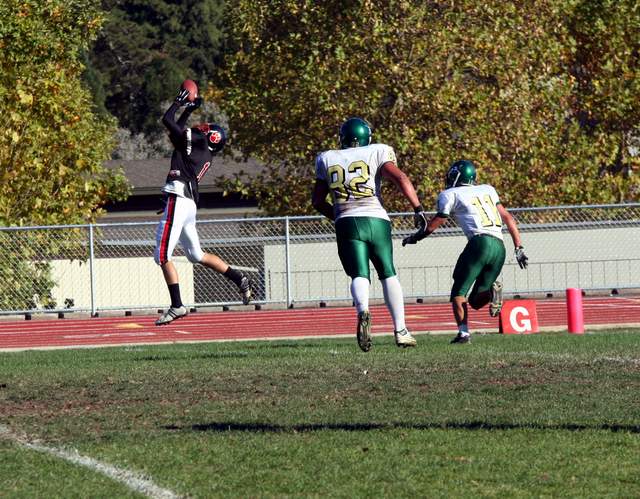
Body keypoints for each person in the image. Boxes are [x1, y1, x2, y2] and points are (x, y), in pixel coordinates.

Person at [312, 117, 425, 351]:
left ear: (342, 138)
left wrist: (339, 217)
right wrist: (417, 208)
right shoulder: (378, 151)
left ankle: (363, 311)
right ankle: (401, 330)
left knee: (359, 274)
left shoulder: (327, 158)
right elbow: (400, 177)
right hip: (376, 218)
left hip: (346, 219)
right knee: (388, 273)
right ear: (367, 137)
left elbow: (317, 200)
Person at [154, 85, 252, 325]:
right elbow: (176, 133)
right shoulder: (203, 151)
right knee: (196, 255)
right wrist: (188, 110)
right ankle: (238, 278)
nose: (202, 127)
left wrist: (179, 103)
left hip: (179, 198)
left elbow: (168, 121)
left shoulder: (197, 140)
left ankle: (177, 305)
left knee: (162, 255)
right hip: (187, 203)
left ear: (208, 136)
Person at [403, 159, 528, 344]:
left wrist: (415, 237)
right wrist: (518, 247)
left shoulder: (450, 194)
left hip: (480, 243)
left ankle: (463, 334)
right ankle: (492, 293)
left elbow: (436, 223)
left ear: (457, 176)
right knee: (476, 301)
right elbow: (508, 218)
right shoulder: (488, 189)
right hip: (499, 247)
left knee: (458, 292)